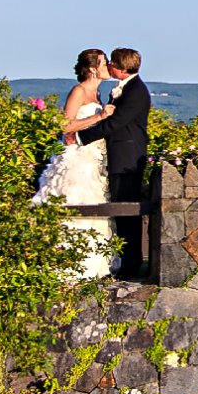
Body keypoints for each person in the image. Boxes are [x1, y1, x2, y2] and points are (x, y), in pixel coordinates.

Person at [68, 47, 151, 277]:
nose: (109, 66)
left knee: (126, 212)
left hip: (126, 159)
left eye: (112, 64)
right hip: (112, 156)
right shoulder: (125, 88)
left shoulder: (136, 92)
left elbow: (115, 124)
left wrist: (81, 138)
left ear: (123, 70)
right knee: (118, 210)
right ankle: (123, 260)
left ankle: (131, 263)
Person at [34, 48, 116, 278]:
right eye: (103, 63)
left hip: (94, 158)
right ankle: (67, 262)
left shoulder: (98, 94)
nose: (107, 66)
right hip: (77, 158)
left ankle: (92, 264)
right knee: (75, 202)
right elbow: (65, 126)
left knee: (96, 206)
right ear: (92, 68)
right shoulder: (79, 92)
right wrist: (99, 117)